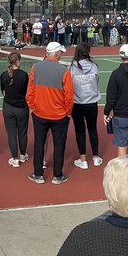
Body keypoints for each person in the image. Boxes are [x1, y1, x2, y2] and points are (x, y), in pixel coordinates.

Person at [28, 42, 75, 185]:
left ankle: (38, 174)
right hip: (59, 116)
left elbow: (29, 92)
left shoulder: (35, 67)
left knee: (39, 143)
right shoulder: (64, 71)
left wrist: (33, 107)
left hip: (40, 114)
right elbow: (69, 95)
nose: (62, 54)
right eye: (60, 52)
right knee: (59, 145)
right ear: (56, 53)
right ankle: (57, 175)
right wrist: (68, 112)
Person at [68, 42, 102, 169]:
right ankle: (96, 157)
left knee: (80, 130)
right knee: (92, 129)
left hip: (77, 103)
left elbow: (69, 85)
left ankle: (83, 160)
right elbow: (96, 81)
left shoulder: (72, 67)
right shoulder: (94, 67)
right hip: (92, 102)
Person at [0, 51, 30, 168]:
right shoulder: (23, 75)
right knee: (22, 133)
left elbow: (3, 91)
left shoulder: (3, 75)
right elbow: (26, 90)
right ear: (17, 61)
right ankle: (22, 155)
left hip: (8, 108)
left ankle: (15, 159)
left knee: (11, 134)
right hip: (22, 108)